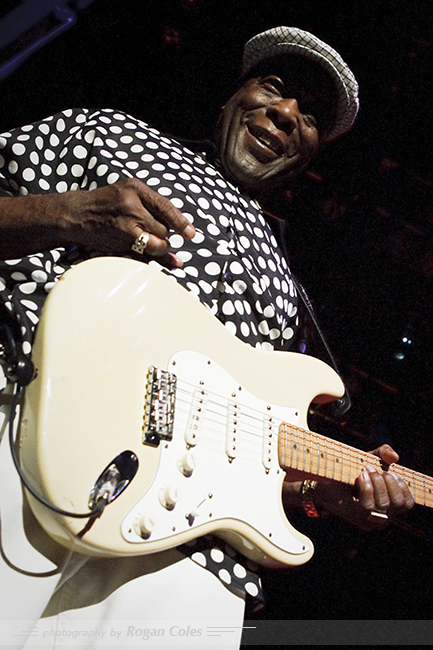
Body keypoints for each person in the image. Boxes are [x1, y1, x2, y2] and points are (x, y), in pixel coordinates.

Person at [0, 26, 414, 648]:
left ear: (308, 155)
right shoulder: (109, 135)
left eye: (309, 120)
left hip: (188, 547)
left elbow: (241, 451)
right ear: (231, 97)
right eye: (275, 88)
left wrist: (322, 493)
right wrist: (70, 213)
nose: (285, 114)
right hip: (25, 432)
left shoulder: (286, 283)